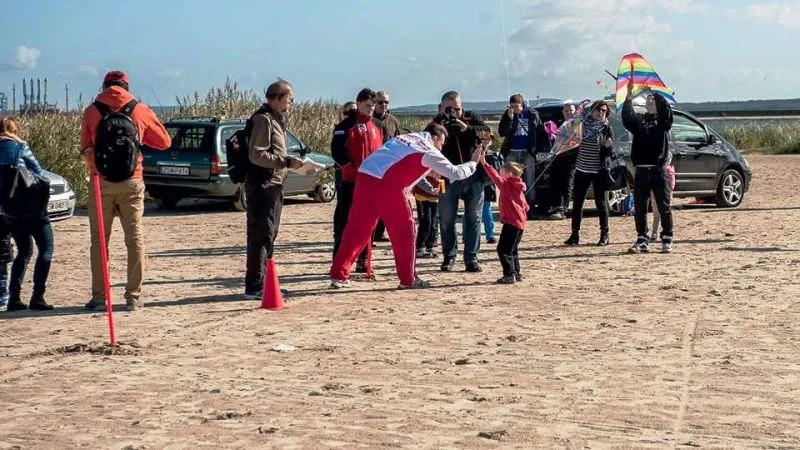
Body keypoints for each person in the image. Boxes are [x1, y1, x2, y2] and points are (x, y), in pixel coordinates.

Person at [330, 124, 483, 289]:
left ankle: (338, 274)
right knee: (405, 232)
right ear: (435, 138)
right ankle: (408, 279)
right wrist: (473, 162)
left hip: (365, 175)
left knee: (357, 229)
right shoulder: (429, 150)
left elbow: (398, 161)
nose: (441, 148)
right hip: (388, 184)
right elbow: (455, 173)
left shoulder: (404, 138)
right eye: (441, 143)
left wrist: (426, 174)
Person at [80, 71, 172, 311]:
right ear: (126, 87)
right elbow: (165, 141)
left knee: (100, 242)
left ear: (104, 86)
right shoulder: (139, 109)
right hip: (132, 180)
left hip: (101, 182)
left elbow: (85, 148)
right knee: (135, 239)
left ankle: (100, 298)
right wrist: (139, 138)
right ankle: (133, 297)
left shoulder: (91, 111)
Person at [242, 79, 304, 299]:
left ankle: (267, 283)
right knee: (261, 235)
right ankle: (255, 286)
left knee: (269, 235)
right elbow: (256, 154)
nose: (291, 103)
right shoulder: (263, 119)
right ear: (278, 98)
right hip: (262, 185)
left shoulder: (276, 119)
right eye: (289, 99)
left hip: (274, 184)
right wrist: (285, 162)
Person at [0, 117, 55, 311]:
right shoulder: (20, 148)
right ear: (14, 131)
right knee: (46, 249)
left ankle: (14, 298)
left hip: (10, 211)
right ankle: (37, 296)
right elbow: (39, 173)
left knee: (24, 251)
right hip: (32, 208)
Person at [433, 91, 491, 273]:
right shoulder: (436, 123)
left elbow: (488, 135)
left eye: (457, 109)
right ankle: (449, 256)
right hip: (448, 176)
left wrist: (467, 128)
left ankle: (471, 258)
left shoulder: (471, 118)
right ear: (441, 108)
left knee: (474, 218)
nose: (453, 113)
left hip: (473, 176)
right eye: (448, 109)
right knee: (446, 219)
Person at [331, 88, 384, 275]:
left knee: (368, 222)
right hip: (350, 182)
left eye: (373, 106)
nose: (371, 109)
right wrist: (349, 167)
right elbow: (337, 150)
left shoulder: (378, 125)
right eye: (367, 105)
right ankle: (338, 259)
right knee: (345, 221)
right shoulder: (346, 125)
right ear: (359, 103)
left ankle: (363, 259)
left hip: (372, 182)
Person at [622, 85, 675, 253]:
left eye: (653, 99)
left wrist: (656, 92)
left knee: (663, 205)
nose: (650, 100)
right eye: (648, 98)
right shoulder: (640, 120)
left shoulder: (663, 121)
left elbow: (667, 113)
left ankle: (667, 238)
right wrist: (628, 98)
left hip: (658, 169)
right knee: (640, 206)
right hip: (641, 169)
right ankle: (642, 238)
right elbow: (627, 118)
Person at [563, 100, 614, 247]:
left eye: (604, 111)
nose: (601, 113)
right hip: (582, 168)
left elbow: (609, 152)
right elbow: (572, 141)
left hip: (598, 170)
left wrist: (608, 146)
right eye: (598, 110)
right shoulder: (582, 124)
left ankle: (604, 234)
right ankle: (574, 234)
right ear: (592, 111)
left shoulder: (606, 127)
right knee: (578, 203)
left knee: (601, 203)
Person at [497, 94, 550, 218]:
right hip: (512, 152)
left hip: (528, 152)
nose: (514, 108)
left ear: (522, 104)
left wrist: (539, 150)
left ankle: (530, 209)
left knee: (529, 182)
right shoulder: (509, 114)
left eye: (516, 106)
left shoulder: (533, 115)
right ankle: (512, 209)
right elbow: (501, 132)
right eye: (512, 106)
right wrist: (510, 119)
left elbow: (540, 132)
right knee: (509, 182)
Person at [480, 158, 529, 285]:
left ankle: (509, 274)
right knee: (512, 249)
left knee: (503, 249)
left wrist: (484, 163)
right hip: (520, 223)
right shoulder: (519, 187)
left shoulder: (506, 184)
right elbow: (526, 207)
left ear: (509, 174)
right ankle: (516, 273)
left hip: (511, 223)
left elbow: (494, 176)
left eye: (501, 172)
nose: (499, 173)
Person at [371, 90, 401, 243]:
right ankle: (370, 234)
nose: (383, 105)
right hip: (373, 165)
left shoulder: (393, 121)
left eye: (386, 102)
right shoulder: (369, 120)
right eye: (380, 102)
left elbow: (398, 141)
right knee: (372, 202)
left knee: (387, 201)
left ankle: (379, 232)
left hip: (389, 165)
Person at [547, 101, 578, 220]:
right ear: (563, 112)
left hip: (571, 158)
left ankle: (563, 209)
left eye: (571, 110)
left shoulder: (578, 124)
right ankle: (555, 206)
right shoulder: (560, 124)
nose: (568, 112)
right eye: (566, 111)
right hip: (557, 157)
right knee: (554, 182)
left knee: (566, 184)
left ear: (575, 112)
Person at [412, 173, 441, 259]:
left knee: (433, 223)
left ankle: (429, 247)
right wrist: (431, 191)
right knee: (425, 223)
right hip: (422, 196)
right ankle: (420, 248)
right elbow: (419, 178)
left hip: (434, 196)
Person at [650, 152, 676, 242]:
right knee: (665, 215)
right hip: (666, 195)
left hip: (654, 196)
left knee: (656, 216)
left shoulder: (655, 169)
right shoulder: (669, 170)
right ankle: (665, 232)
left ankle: (654, 233)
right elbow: (672, 184)